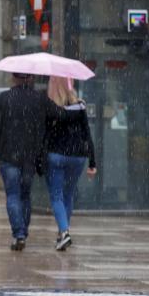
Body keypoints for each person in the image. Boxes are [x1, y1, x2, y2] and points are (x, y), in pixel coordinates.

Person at [0, 72, 85, 251]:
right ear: (30, 78)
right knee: (24, 195)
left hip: (8, 156)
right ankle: (23, 230)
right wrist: (78, 108)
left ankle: (19, 234)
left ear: (13, 78)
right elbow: (60, 114)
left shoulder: (4, 98)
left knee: (13, 195)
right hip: (30, 157)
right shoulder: (39, 99)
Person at [44, 76, 96, 251]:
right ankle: (62, 234)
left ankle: (64, 232)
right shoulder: (80, 107)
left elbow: (45, 136)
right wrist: (92, 162)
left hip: (56, 156)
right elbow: (87, 136)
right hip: (78, 157)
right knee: (68, 194)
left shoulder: (51, 108)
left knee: (57, 196)